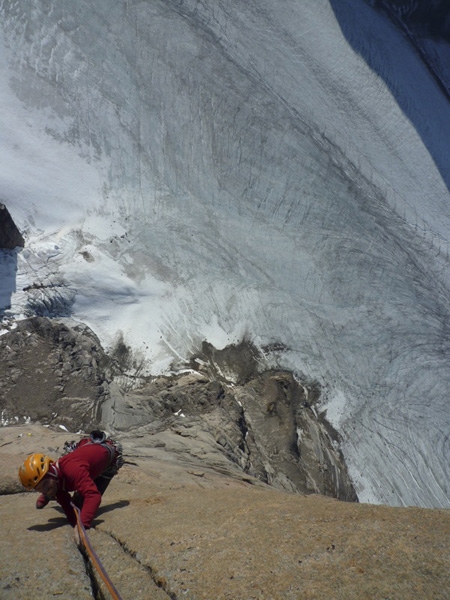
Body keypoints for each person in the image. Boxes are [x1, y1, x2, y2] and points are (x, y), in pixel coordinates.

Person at [18, 431, 123, 536]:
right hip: (85, 452)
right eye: (40, 489)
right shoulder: (54, 476)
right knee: (56, 489)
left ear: (50, 474)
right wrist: (74, 521)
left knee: (82, 506)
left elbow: (93, 496)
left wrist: (82, 526)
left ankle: (49, 494)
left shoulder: (72, 471)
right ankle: (49, 494)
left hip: (109, 459)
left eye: (45, 486)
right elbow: (66, 504)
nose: (44, 490)